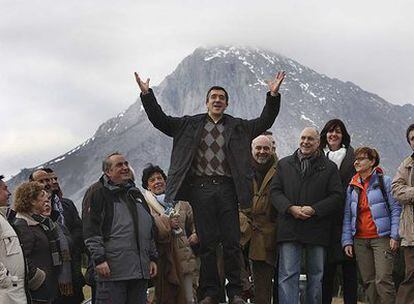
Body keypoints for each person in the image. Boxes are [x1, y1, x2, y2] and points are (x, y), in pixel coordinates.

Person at [135, 71, 285, 304]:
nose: (217, 100)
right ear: (206, 102)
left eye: (221, 97)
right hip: (200, 189)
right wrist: (147, 94)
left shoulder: (238, 127)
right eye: (213, 96)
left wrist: (273, 95)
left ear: (226, 103)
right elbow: (160, 120)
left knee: (232, 241)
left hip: (227, 188)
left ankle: (235, 292)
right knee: (207, 243)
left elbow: (265, 120)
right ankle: (210, 293)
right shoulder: (188, 124)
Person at [271, 127, 343, 304]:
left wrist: (315, 209)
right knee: (287, 275)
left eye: (311, 139)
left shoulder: (329, 168)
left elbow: (337, 196)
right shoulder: (284, 164)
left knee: (316, 276)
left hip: (317, 228)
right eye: (303, 137)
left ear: (318, 142)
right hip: (289, 226)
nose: (306, 142)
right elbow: (274, 192)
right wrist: (290, 208)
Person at [82, 152, 158, 304]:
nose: (125, 167)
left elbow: (148, 229)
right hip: (112, 273)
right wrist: (99, 260)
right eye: (119, 165)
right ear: (108, 172)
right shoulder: (97, 193)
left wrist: (152, 258)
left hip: (139, 272)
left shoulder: (136, 194)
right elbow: (91, 230)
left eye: (126, 164)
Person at [342, 147, 401, 304]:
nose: (357, 162)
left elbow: (396, 209)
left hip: (382, 238)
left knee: (383, 280)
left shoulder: (385, 182)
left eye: (361, 159)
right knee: (368, 281)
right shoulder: (352, 186)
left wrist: (395, 235)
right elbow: (348, 215)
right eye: (356, 159)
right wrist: (347, 241)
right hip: (360, 240)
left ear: (372, 161)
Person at [141, 164, 198, 304]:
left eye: (159, 178)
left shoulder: (183, 203)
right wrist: (166, 223)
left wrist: (196, 234)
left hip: (186, 257)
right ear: (147, 186)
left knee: (190, 297)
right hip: (163, 259)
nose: (157, 182)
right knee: (165, 297)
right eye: (152, 180)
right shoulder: (145, 206)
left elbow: (195, 221)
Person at [319, 119, 358, 304]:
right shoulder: (318, 156)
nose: (333, 134)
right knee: (326, 270)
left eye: (338, 131)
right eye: (330, 131)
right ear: (325, 135)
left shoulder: (353, 157)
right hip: (324, 220)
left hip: (348, 219)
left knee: (349, 268)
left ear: (343, 136)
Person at [43, 168, 85, 304]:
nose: (53, 182)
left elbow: (79, 228)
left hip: (73, 264)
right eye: (47, 180)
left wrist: (70, 243)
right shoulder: (41, 211)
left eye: (54, 179)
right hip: (54, 274)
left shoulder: (67, 204)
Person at [13, 182, 60, 304]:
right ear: (32, 201)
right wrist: (39, 278)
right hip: (39, 293)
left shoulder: (39, 223)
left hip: (48, 288)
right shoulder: (23, 225)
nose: (46, 201)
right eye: (42, 197)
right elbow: (22, 258)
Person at [247, 135, 279, 304]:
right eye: (258, 148)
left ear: (272, 149)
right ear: (252, 150)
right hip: (242, 231)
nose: (262, 152)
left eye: (266, 148)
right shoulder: (242, 169)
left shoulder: (281, 170)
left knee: (263, 283)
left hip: (267, 234)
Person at [392, 123, 414, 304]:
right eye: (413, 139)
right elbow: (396, 190)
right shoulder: (406, 165)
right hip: (411, 233)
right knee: (411, 277)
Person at [0, 175, 29, 304]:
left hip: (15, 291)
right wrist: (7, 280)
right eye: (4, 189)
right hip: (7, 293)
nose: (9, 192)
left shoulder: (3, 218)